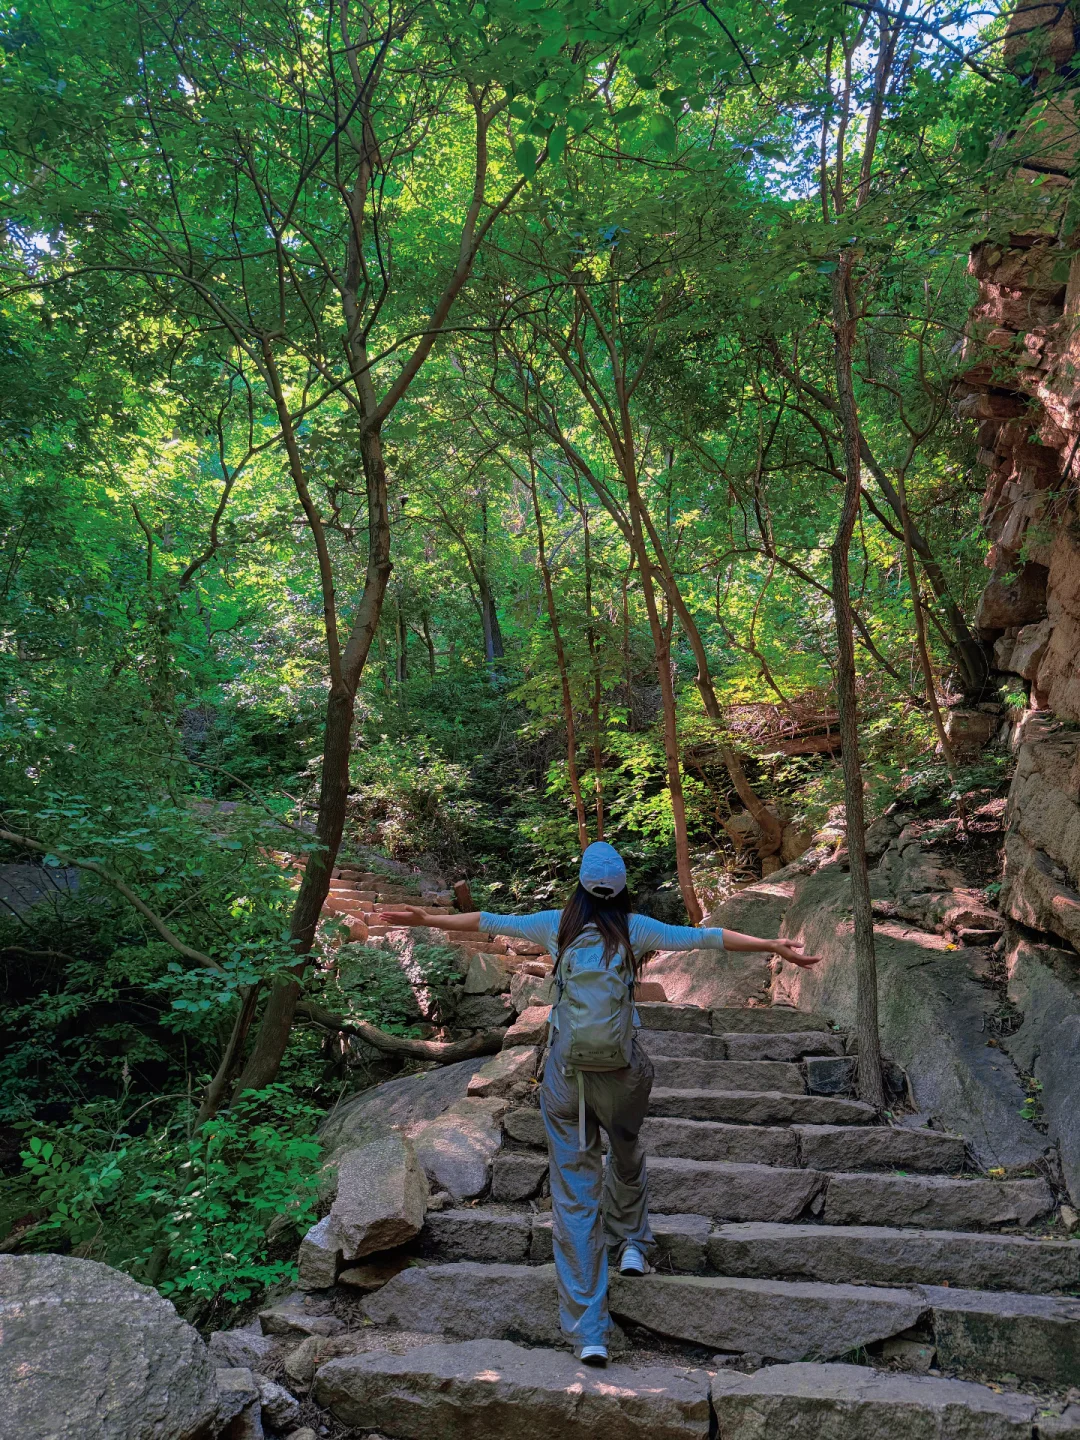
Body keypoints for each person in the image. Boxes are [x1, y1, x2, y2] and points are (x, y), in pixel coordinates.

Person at [381, 840, 823, 1367]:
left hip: (567, 1077)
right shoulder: (633, 928)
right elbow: (706, 938)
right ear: (622, 888)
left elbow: (490, 919)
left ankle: (590, 1331)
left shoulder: (556, 926)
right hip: (622, 1072)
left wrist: (428, 917)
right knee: (627, 1145)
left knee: (573, 1198)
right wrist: (773, 946)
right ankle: (632, 1240)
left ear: (581, 886)